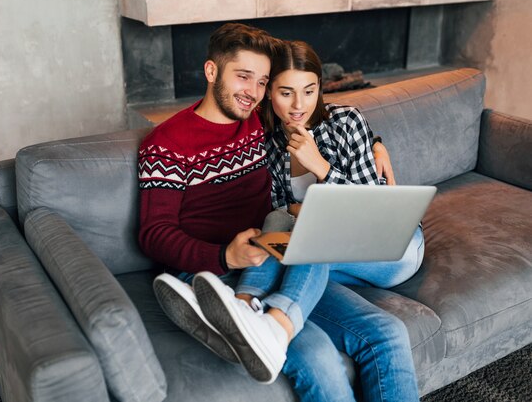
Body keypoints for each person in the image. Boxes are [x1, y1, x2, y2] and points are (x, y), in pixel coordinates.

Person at [138, 23, 398, 400]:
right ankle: (237, 313)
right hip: (217, 271)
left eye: (262, 82)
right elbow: (153, 233)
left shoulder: (261, 120)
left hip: (276, 253)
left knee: (386, 332)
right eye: (243, 77)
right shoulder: (166, 144)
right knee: (320, 359)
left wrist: (376, 142)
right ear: (212, 72)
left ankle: (262, 321)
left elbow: (315, 106)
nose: (253, 93)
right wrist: (224, 255)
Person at [196, 39, 423, 401]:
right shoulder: (266, 141)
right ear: (269, 92)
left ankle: (265, 318)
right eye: (286, 93)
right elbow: (281, 213)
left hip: (394, 245)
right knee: (287, 227)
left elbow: (371, 213)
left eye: (310, 91)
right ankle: (246, 311)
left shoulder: (346, 122)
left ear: (320, 88)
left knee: (312, 228)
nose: (299, 105)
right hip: (327, 259)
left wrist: (320, 167)